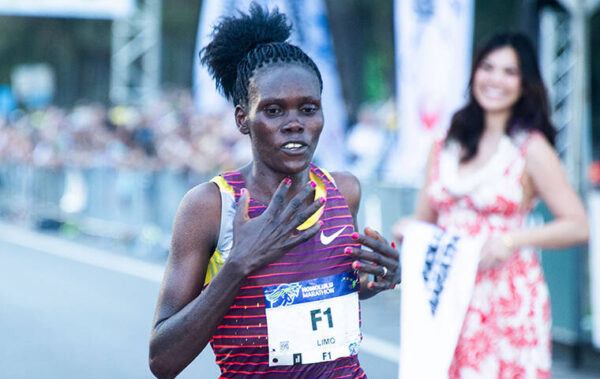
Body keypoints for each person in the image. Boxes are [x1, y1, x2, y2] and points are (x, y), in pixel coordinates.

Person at [148, 4, 400, 378]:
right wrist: (238, 264)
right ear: (242, 120)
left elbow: (321, 294)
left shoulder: (342, 190)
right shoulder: (211, 207)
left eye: (308, 108)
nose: (295, 124)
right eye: (274, 111)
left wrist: (376, 279)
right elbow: (163, 361)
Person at [393, 32, 589, 378]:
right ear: (474, 73)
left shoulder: (530, 147)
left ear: (524, 83)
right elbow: (425, 217)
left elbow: (577, 224)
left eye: (509, 72)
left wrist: (512, 240)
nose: (495, 79)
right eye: (488, 67)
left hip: (506, 296)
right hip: (448, 292)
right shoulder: (445, 144)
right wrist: (406, 228)